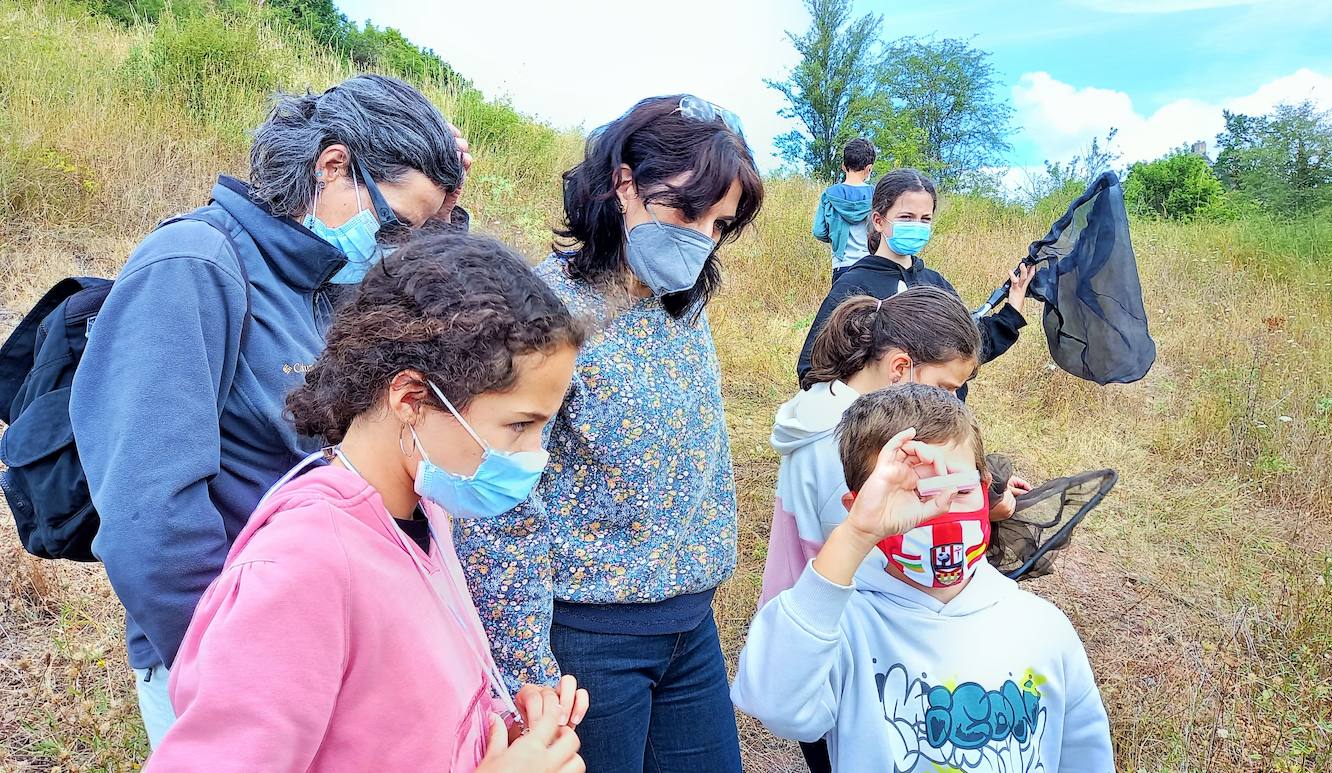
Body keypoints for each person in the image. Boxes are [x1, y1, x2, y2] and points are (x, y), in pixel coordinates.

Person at [69, 74, 469, 748]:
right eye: (397, 222)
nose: (396, 245)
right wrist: (234, 664)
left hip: (319, 645)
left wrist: (449, 216)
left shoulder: (331, 279)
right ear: (333, 166)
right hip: (239, 660)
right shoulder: (194, 265)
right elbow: (149, 517)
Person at [146, 232, 589, 772]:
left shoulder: (421, 513)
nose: (534, 455)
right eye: (519, 425)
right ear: (410, 398)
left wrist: (503, 725)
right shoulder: (303, 567)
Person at [453, 94, 764, 773]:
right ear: (625, 180)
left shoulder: (682, 302)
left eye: (721, 224)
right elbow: (499, 504)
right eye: (688, 211)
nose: (703, 239)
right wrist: (527, 665)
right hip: (591, 637)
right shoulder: (539, 311)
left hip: (691, 627)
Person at [732, 384, 1114, 772]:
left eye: (959, 489)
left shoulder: (1042, 627)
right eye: (911, 495)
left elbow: (1084, 751)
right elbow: (776, 705)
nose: (939, 513)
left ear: (986, 492)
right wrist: (856, 534)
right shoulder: (840, 628)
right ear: (857, 507)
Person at [761, 286, 982, 610]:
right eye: (944, 389)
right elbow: (900, 545)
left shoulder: (824, 405)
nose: (950, 403)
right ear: (899, 368)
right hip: (838, 623)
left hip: (794, 598)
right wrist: (974, 493)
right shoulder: (860, 449)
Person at [795, 168, 1037, 397]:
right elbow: (812, 369)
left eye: (925, 219)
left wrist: (1011, 311)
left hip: (939, 427)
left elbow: (966, 350)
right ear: (879, 221)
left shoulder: (935, 284)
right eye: (906, 217)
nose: (917, 226)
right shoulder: (853, 286)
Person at [813, 138, 876, 283]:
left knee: (844, 306)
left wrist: (835, 235)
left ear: (843, 166)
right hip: (871, 265)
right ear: (869, 168)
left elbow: (819, 231)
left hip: (841, 266)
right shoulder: (876, 195)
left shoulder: (829, 195)